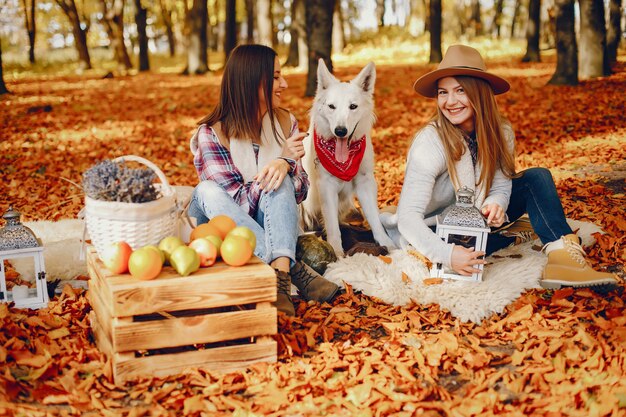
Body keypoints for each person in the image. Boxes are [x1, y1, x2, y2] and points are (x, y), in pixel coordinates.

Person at [381, 45, 617, 289]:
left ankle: (563, 259)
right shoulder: (431, 141)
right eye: (443, 92)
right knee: (471, 251)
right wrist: (447, 254)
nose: (450, 102)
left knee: (537, 178)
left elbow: (503, 180)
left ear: (479, 92)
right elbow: (408, 218)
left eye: (460, 91)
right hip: (439, 229)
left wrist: (496, 202)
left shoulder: (500, 131)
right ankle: (505, 237)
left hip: (479, 217)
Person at [188, 44, 339, 315]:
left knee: (279, 180)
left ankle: (279, 284)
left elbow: (301, 190)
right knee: (206, 190)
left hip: (271, 222)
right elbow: (237, 206)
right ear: (251, 81)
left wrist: (286, 164)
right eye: (276, 77)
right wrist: (279, 162)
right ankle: (293, 269)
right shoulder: (212, 133)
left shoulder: (285, 122)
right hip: (224, 226)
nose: (285, 83)